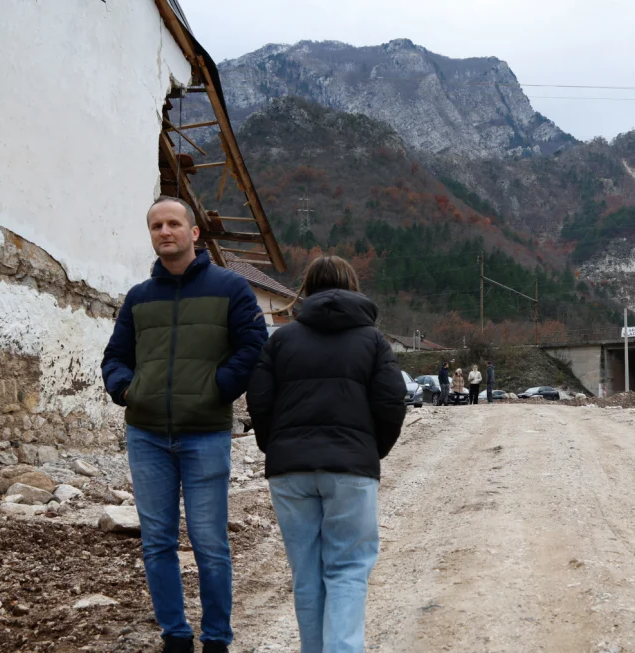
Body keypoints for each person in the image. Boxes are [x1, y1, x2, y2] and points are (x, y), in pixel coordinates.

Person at [101, 196, 267, 653]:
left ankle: (216, 638)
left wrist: (218, 387)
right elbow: (115, 358)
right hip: (147, 434)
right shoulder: (138, 298)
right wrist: (127, 390)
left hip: (206, 433)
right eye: (156, 225)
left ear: (194, 233)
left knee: (210, 542)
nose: (164, 231)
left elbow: (253, 344)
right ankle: (175, 636)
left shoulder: (231, 288)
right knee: (156, 541)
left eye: (174, 223)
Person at [246, 256, 406, 653]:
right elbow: (392, 403)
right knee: (348, 570)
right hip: (351, 468)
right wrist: (371, 452)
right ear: (352, 287)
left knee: (306, 575)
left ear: (306, 290)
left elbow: (259, 402)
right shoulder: (373, 341)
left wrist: (277, 448)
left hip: (289, 470)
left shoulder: (280, 339)